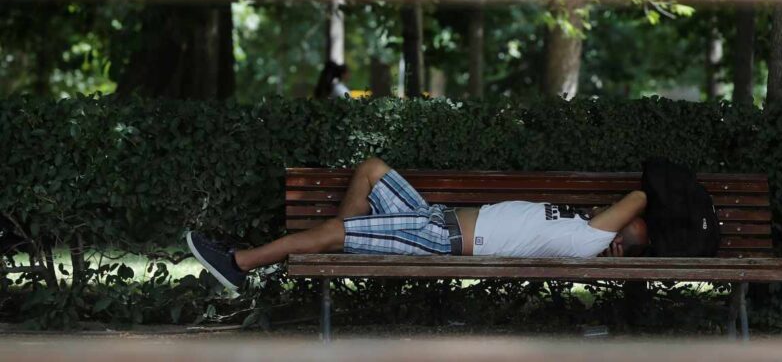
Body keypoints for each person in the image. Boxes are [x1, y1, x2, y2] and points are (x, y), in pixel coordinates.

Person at [187, 158, 649, 292]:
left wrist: (631, 224)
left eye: (627, 228)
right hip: (433, 218)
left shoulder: (589, 239)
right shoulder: (585, 227)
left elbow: (639, 196)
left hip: (436, 240)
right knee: (371, 169)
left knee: (334, 233)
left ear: (617, 237)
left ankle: (239, 264)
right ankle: (354, 238)